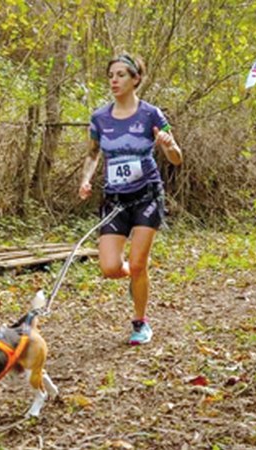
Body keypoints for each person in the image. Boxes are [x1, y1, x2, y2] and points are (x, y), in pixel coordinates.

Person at [78, 53, 183, 345]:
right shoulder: (99, 117)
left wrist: (168, 144)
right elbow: (92, 153)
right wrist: (86, 179)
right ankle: (136, 277)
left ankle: (140, 323)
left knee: (138, 263)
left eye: (121, 74)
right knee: (110, 268)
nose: (114, 80)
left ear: (136, 79)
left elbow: (177, 159)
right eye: (111, 74)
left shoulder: (151, 114)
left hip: (147, 194)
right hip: (114, 198)